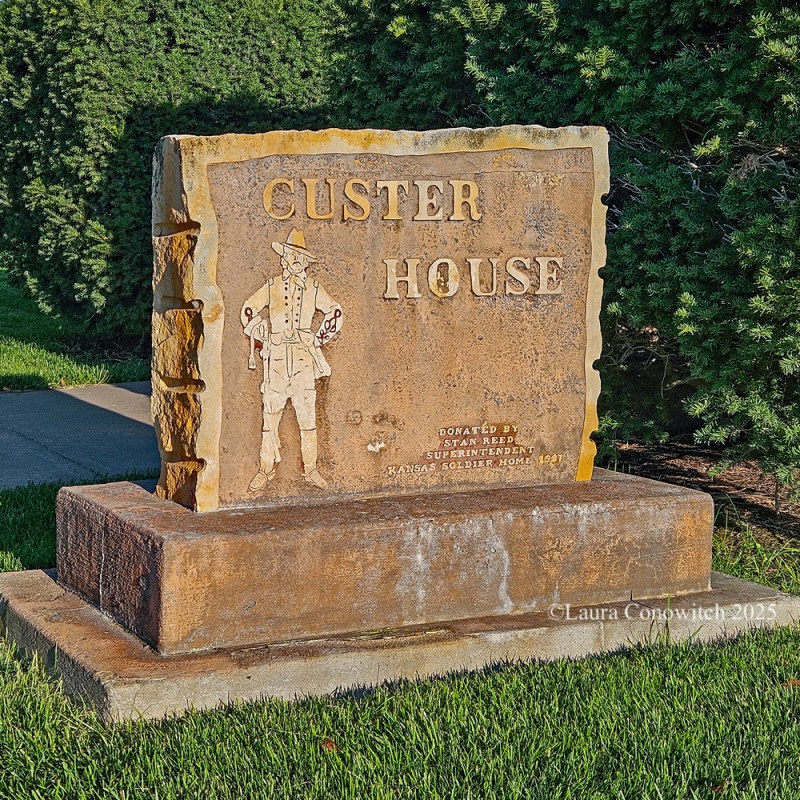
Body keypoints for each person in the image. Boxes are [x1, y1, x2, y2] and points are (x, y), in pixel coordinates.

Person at [241, 228, 342, 491]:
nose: (295, 259)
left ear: (306, 261)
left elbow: (335, 311)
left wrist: (318, 339)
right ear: (284, 257)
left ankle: (311, 470)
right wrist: (260, 332)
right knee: (270, 418)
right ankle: (265, 470)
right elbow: (248, 308)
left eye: (300, 256)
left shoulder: (314, 288)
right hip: (274, 360)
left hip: (302, 361)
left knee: (307, 419)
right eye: (291, 254)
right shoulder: (272, 286)